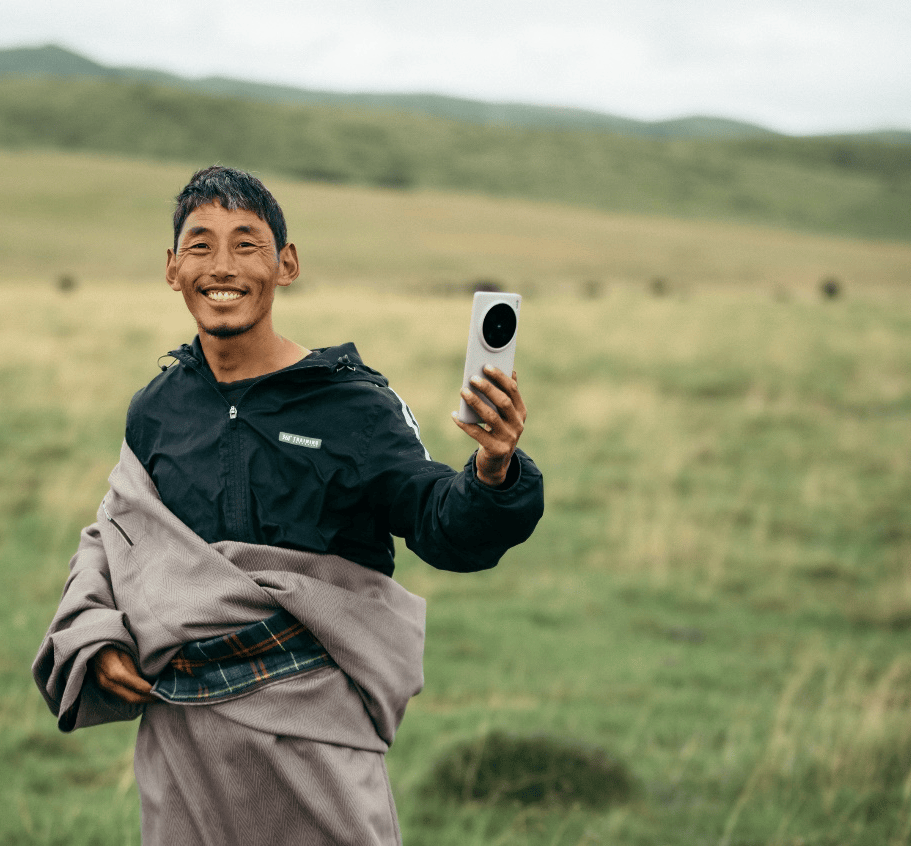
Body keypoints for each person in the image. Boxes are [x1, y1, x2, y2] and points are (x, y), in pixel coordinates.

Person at [33, 166, 544, 845]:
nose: (222, 266)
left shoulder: (353, 405)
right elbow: (115, 535)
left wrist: (493, 469)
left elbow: (439, 523)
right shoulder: (158, 408)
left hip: (315, 741)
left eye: (246, 244)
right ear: (171, 267)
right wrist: (94, 638)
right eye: (200, 245)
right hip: (181, 742)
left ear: (286, 263)